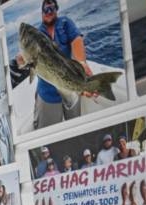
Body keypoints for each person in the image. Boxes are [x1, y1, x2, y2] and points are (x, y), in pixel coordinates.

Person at [32, 0, 93, 129]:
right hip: (48, 94)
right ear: (41, 12)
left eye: (51, 8)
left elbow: (76, 39)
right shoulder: (37, 34)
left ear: (56, 9)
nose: (48, 12)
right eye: (45, 9)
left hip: (71, 88)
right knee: (49, 134)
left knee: (75, 128)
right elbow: (30, 61)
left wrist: (81, 62)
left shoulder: (66, 23)